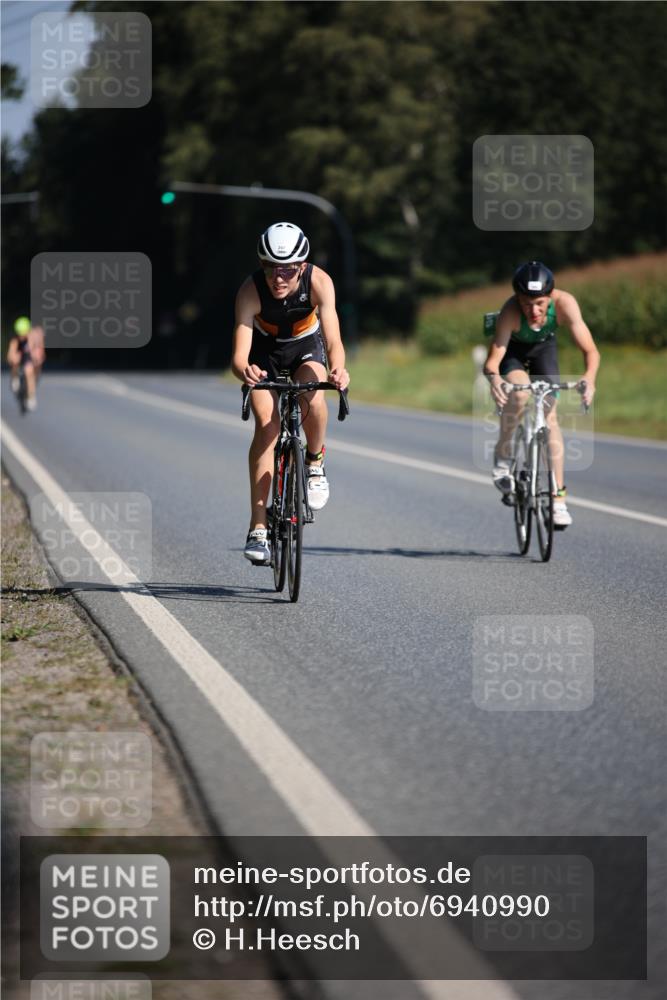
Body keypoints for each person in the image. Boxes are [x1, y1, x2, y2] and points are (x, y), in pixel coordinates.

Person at [231, 222, 350, 563]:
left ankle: (314, 463)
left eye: (287, 269)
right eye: (270, 267)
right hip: (263, 354)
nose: (278, 277)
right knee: (267, 425)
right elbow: (239, 357)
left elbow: (334, 342)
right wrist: (246, 371)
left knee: (313, 396)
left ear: (301, 266)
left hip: (305, 347)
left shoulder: (319, 282)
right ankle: (258, 527)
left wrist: (339, 369)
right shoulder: (249, 291)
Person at [483, 261, 600, 528]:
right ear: (517, 299)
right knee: (520, 394)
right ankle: (503, 457)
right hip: (513, 352)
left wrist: (589, 378)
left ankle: (558, 501)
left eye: (540, 303)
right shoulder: (510, 312)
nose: (533, 311)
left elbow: (591, 351)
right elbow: (493, 361)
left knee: (550, 416)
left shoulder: (565, 304)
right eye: (526, 303)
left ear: (551, 297)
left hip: (543, 349)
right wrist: (495, 381)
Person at [7, 316, 45, 411]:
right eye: (19, 334)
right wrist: (13, 358)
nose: (21, 337)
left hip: (29, 357)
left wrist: (37, 359)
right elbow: (10, 355)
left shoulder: (35, 338)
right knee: (15, 360)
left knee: (29, 371)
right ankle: (15, 378)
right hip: (20, 357)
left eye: (23, 334)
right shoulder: (15, 340)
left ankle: (31, 397)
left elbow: (40, 353)